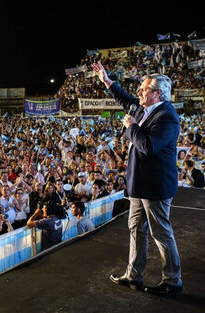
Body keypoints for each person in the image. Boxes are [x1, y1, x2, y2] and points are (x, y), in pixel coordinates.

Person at [93, 62, 182, 296]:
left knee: (160, 233)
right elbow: (124, 98)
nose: (139, 92)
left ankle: (173, 281)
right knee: (136, 229)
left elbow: (148, 146)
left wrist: (131, 127)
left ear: (157, 93)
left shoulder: (167, 117)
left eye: (143, 89)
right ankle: (133, 275)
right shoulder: (144, 108)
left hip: (155, 186)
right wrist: (106, 80)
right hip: (137, 185)